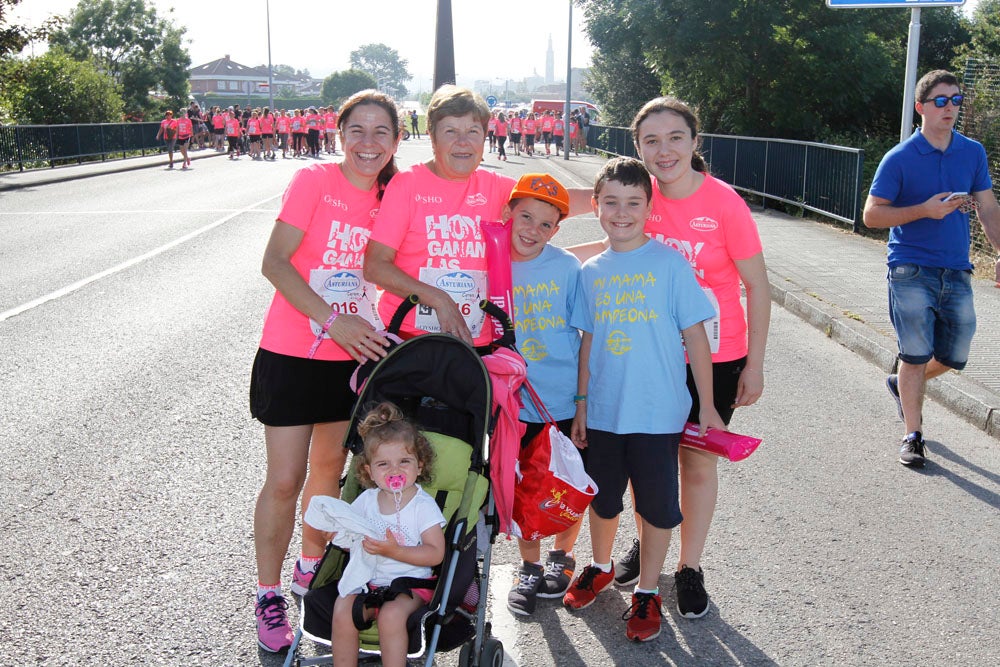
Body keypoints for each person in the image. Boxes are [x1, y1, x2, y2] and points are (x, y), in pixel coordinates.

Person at [569, 97, 770, 620]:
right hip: (648, 351)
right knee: (642, 460)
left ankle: (689, 567)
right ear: (638, 147)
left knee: (695, 460)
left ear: (695, 142)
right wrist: (551, 259)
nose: (664, 150)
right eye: (651, 140)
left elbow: (757, 286)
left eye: (675, 137)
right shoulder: (642, 192)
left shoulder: (724, 203)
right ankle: (646, 547)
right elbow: (615, 237)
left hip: (716, 351)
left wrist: (755, 364)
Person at [249, 90, 402, 653]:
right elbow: (274, 262)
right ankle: (268, 594)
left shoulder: (395, 194)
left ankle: (309, 565)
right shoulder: (314, 180)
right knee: (286, 479)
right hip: (293, 351)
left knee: (329, 471)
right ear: (340, 134)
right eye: (357, 130)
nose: (368, 143)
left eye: (380, 131)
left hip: (354, 358)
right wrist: (330, 319)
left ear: (395, 139)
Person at [564, 157, 726, 643]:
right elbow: (587, 343)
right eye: (610, 202)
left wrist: (710, 406)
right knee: (603, 499)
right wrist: (582, 404)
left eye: (633, 202)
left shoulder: (669, 264)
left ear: (649, 208)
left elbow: (696, 337)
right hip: (606, 413)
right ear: (595, 206)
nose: (621, 212)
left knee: (656, 506)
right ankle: (600, 565)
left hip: (658, 415)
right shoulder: (590, 272)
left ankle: (649, 591)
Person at [863, 69, 1000, 467]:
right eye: (941, 101)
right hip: (910, 268)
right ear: (921, 107)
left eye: (956, 100)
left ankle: (900, 383)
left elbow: (988, 207)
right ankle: (913, 434)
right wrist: (924, 210)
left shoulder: (972, 152)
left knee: (956, 354)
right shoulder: (900, 158)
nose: (950, 108)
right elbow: (871, 215)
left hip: (957, 268)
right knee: (916, 354)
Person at [499, 173, 586, 616]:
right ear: (507, 213)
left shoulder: (568, 267)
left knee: (566, 483)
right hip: (515, 402)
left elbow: (586, 335)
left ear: (557, 230)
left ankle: (563, 555)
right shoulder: (491, 263)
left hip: (562, 398)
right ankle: (529, 566)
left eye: (546, 224)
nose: (532, 230)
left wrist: (583, 401)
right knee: (523, 487)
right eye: (525, 216)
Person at [329, 402, 447, 667]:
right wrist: (339, 536)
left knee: (391, 616)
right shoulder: (366, 502)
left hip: (412, 585)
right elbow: (349, 538)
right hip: (368, 582)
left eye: (404, 462)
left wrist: (395, 551)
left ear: (419, 466)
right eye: (383, 464)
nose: (394, 471)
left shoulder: (422, 506)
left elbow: (435, 552)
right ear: (370, 472)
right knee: (342, 610)